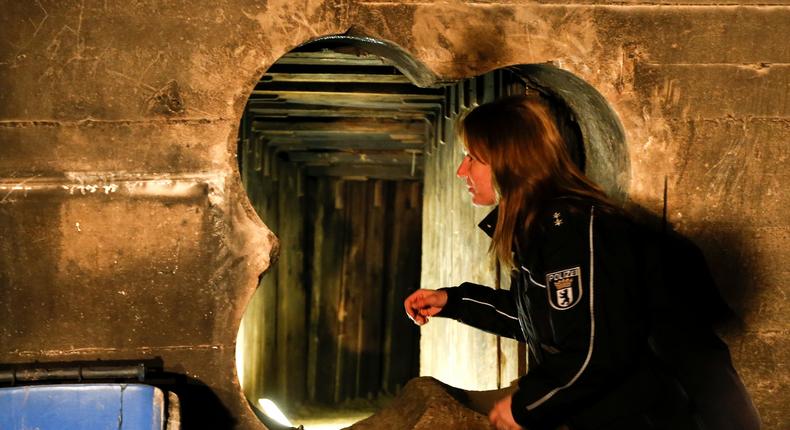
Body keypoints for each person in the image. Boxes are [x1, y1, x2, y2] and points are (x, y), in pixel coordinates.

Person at [403, 95, 760, 430]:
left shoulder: (575, 229)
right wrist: (453, 301)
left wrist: (525, 405)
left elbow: (596, 349)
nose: (461, 171)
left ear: (510, 161)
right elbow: (542, 317)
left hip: (669, 417)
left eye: (473, 158)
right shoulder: (540, 225)